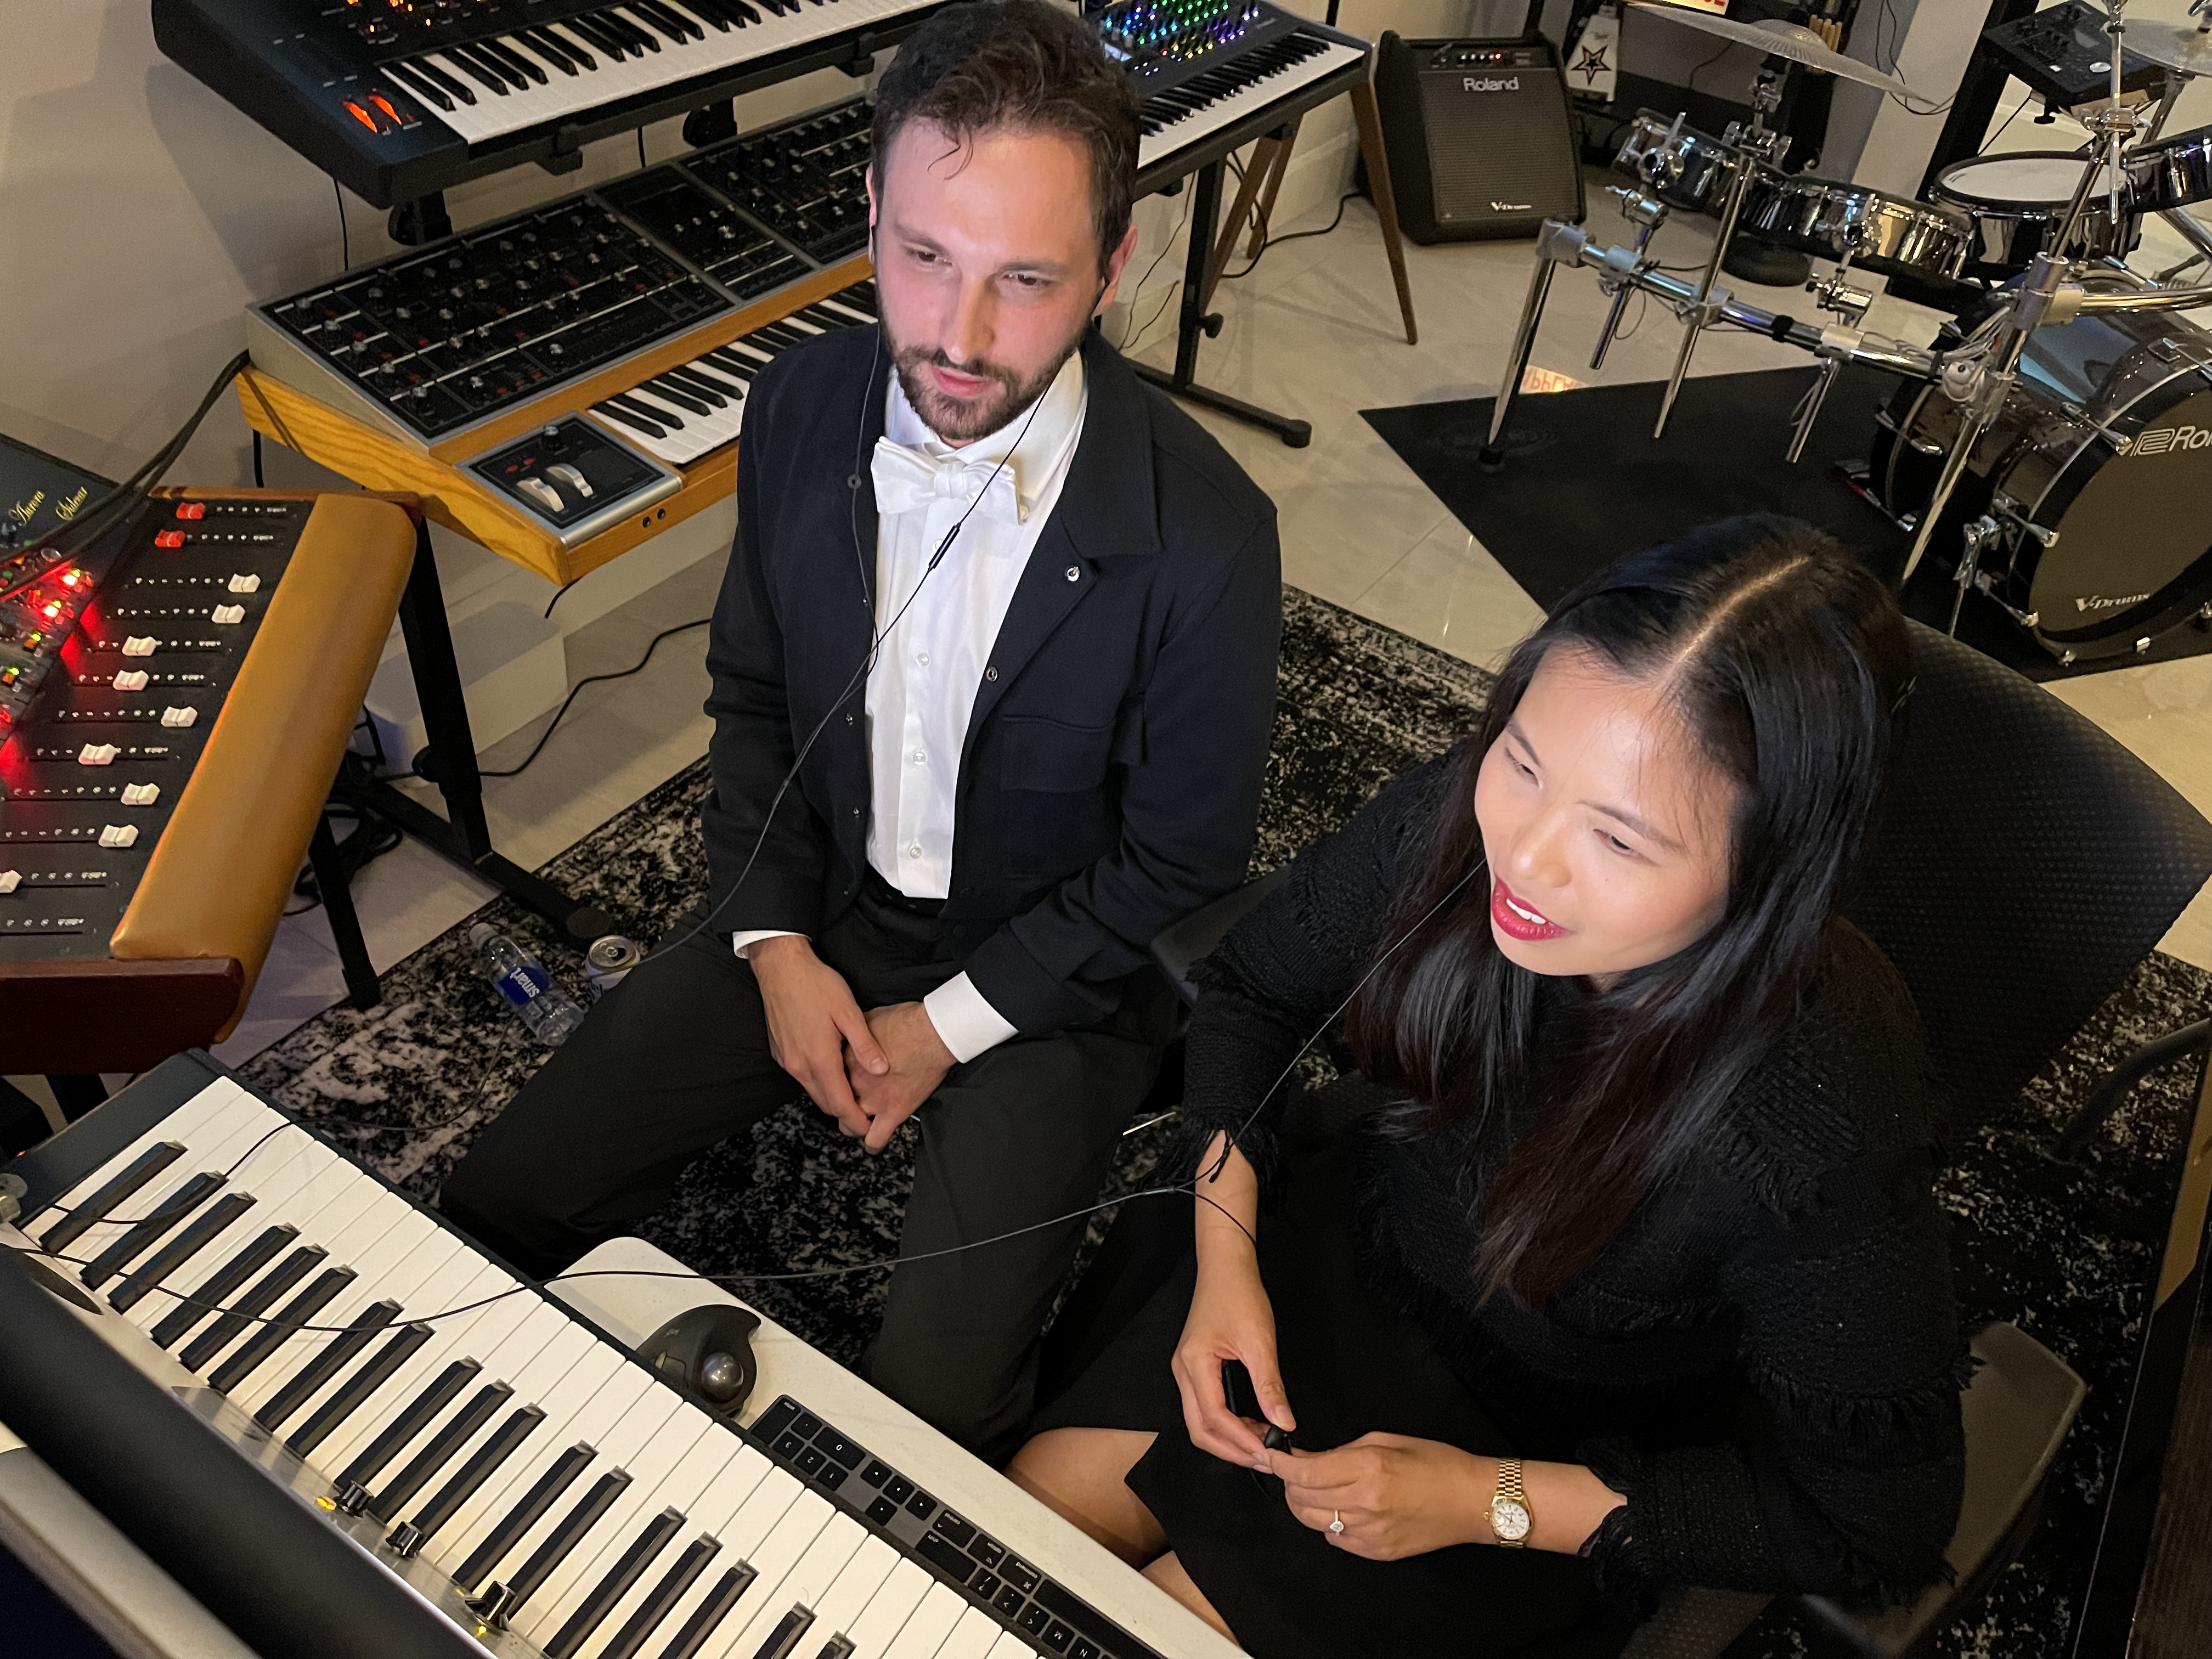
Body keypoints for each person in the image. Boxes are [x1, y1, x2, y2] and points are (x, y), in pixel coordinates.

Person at [441, 0, 1282, 1462]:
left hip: (1049, 976)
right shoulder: (798, 406)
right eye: (922, 259)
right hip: (822, 902)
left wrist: (946, 1029)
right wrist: (770, 946)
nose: (957, 339)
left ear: (1114, 266)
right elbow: (757, 696)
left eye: (1025, 280)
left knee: (937, 1420)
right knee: (501, 1199)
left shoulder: (1215, 538)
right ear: (870, 215)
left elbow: (1182, 858)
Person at [1009, 518, 1967, 1656]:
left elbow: (1880, 1526)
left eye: (1618, 839)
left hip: (1560, 1439)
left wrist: (1487, 1500)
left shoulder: (1813, 1131)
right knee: (1021, 1525)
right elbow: (1258, 987)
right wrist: (1225, 1257)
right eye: (1520, 760)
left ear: (1773, 869)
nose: (1523, 856)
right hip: (1361, 1259)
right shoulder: (1473, 820)